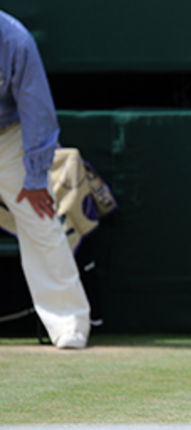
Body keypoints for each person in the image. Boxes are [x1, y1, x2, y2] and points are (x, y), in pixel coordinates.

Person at [0, 10, 91, 349]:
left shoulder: (15, 40)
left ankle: (69, 325)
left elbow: (36, 108)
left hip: (8, 136)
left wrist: (36, 177)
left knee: (39, 220)